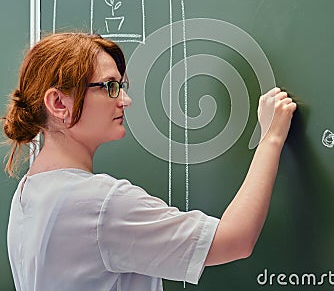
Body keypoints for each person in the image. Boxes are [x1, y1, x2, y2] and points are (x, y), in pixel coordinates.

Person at [2, 32, 296, 291]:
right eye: (110, 86)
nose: (125, 100)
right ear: (59, 104)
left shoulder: (28, 192)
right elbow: (235, 240)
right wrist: (270, 137)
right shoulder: (100, 204)